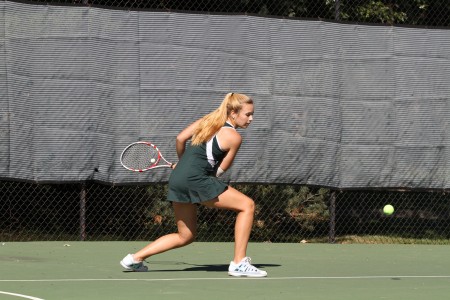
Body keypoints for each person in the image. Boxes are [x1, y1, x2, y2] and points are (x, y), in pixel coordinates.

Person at [120, 92, 267, 277]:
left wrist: (182, 164)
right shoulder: (234, 136)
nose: (251, 118)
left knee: (185, 236)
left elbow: (180, 139)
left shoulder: (207, 121)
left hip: (178, 179)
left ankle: (134, 258)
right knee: (247, 205)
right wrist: (193, 171)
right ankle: (239, 263)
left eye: (252, 114)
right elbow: (219, 171)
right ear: (233, 113)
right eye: (248, 114)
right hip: (195, 179)